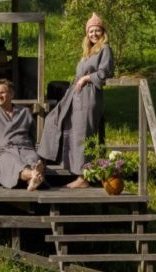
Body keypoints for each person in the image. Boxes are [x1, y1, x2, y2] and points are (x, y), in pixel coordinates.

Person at [39, 13, 114, 187]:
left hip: (89, 96)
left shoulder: (105, 49)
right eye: (91, 31)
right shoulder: (88, 52)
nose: (94, 34)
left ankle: (83, 177)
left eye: (97, 31)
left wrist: (87, 78)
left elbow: (105, 72)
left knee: (83, 134)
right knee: (54, 119)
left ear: (103, 32)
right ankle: (43, 161)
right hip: (75, 95)